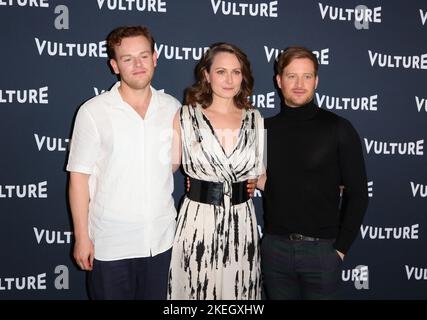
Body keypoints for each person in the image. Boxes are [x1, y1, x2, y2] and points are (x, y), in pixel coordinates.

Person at [66, 26, 181, 299]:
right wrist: (82, 237)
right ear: (115, 65)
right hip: (110, 245)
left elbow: (172, 165)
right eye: (128, 59)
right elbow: (78, 178)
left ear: (155, 57)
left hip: (161, 242)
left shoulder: (173, 107)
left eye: (144, 55)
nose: (138, 64)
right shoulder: (93, 111)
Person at [258, 46, 369, 299]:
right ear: (279, 80)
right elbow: (255, 179)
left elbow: (359, 194)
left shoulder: (338, 128)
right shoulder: (262, 129)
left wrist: (340, 250)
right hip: (275, 251)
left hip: (322, 252)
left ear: (316, 81)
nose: (299, 83)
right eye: (291, 76)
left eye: (307, 76)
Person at [167, 43, 264, 300]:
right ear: (207, 76)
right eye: (221, 71)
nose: (229, 79)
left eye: (236, 71)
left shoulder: (255, 118)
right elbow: (165, 167)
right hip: (198, 221)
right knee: (197, 289)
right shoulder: (185, 116)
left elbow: (261, 174)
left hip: (242, 223)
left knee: (237, 292)